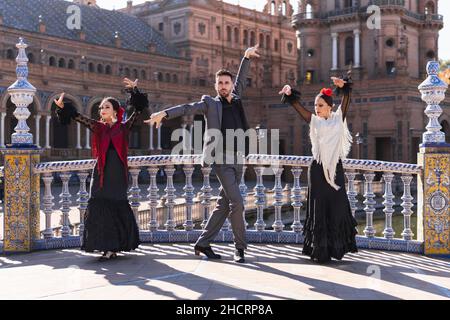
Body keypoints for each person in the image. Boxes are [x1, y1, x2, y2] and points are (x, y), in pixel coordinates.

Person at [146, 45, 261, 263]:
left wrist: (245, 56)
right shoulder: (210, 103)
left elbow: (242, 78)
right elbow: (188, 108)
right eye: (220, 83)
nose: (224, 86)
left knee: (224, 205)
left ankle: (203, 243)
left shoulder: (236, 98)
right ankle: (240, 248)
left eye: (227, 82)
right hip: (220, 159)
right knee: (237, 203)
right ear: (216, 86)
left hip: (238, 158)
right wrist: (165, 113)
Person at [54, 78, 148, 261]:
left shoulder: (123, 127)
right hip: (102, 173)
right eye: (101, 108)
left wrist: (135, 90)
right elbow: (77, 117)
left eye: (106, 107)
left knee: (117, 206)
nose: (102, 110)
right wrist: (63, 107)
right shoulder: (98, 127)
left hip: (118, 174)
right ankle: (106, 246)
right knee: (98, 204)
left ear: (114, 110)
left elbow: (137, 111)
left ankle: (114, 247)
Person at [278, 74, 358, 263]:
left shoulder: (339, 118)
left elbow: (346, 99)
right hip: (318, 169)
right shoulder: (314, 121)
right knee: (319, 209)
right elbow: (299, 109)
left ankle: (336, 249)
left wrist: (344, 86)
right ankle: (320, 251)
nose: (317, 109)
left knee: (338, 207)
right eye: (315, 105)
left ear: (330, 106)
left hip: (335, 169)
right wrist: (290, 95)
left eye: (320, 105)